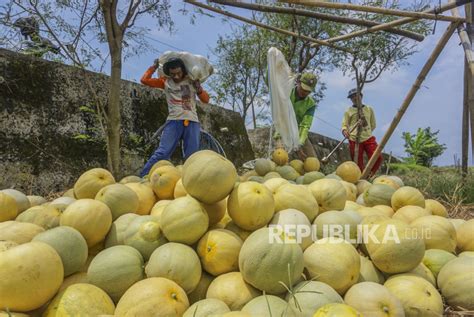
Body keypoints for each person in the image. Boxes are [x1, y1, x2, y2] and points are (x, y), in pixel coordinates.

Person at [139, 57, 210, 177]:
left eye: (179, 73)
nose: (176, 76)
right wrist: (154, 67)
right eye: (173, 74)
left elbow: (206, 100)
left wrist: (199, 89)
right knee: (162, 153)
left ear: (183, 70)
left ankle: (190, 181)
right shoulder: (165, 82)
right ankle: (142, 177)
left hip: (192, 122)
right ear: (168, 73)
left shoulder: (192, 81)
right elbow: (144, 80)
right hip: (173, 122)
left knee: (192, 156)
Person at [341, 88, 383, 177]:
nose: (354, 98)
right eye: (352, 97)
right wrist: (345, 131)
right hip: (354, 139)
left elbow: (373, 124)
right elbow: (344, 125)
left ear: (361, 96)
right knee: (357, 163)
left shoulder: (369, 109)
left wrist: (366, 132)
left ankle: (368, 175)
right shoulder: (348, 111)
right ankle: (360, 179)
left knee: (378, 157)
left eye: (356, 96)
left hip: (368, 138)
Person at [290, 72, 318, 160]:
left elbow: (305, 125)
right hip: (283, 129)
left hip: (299, 132)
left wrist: (300, 144)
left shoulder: (311, 104)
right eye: (303, 88)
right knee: (281, 157)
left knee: (312, 159)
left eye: (308, 91)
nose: (305, 92)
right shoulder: (287, 92)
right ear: (298, 82)